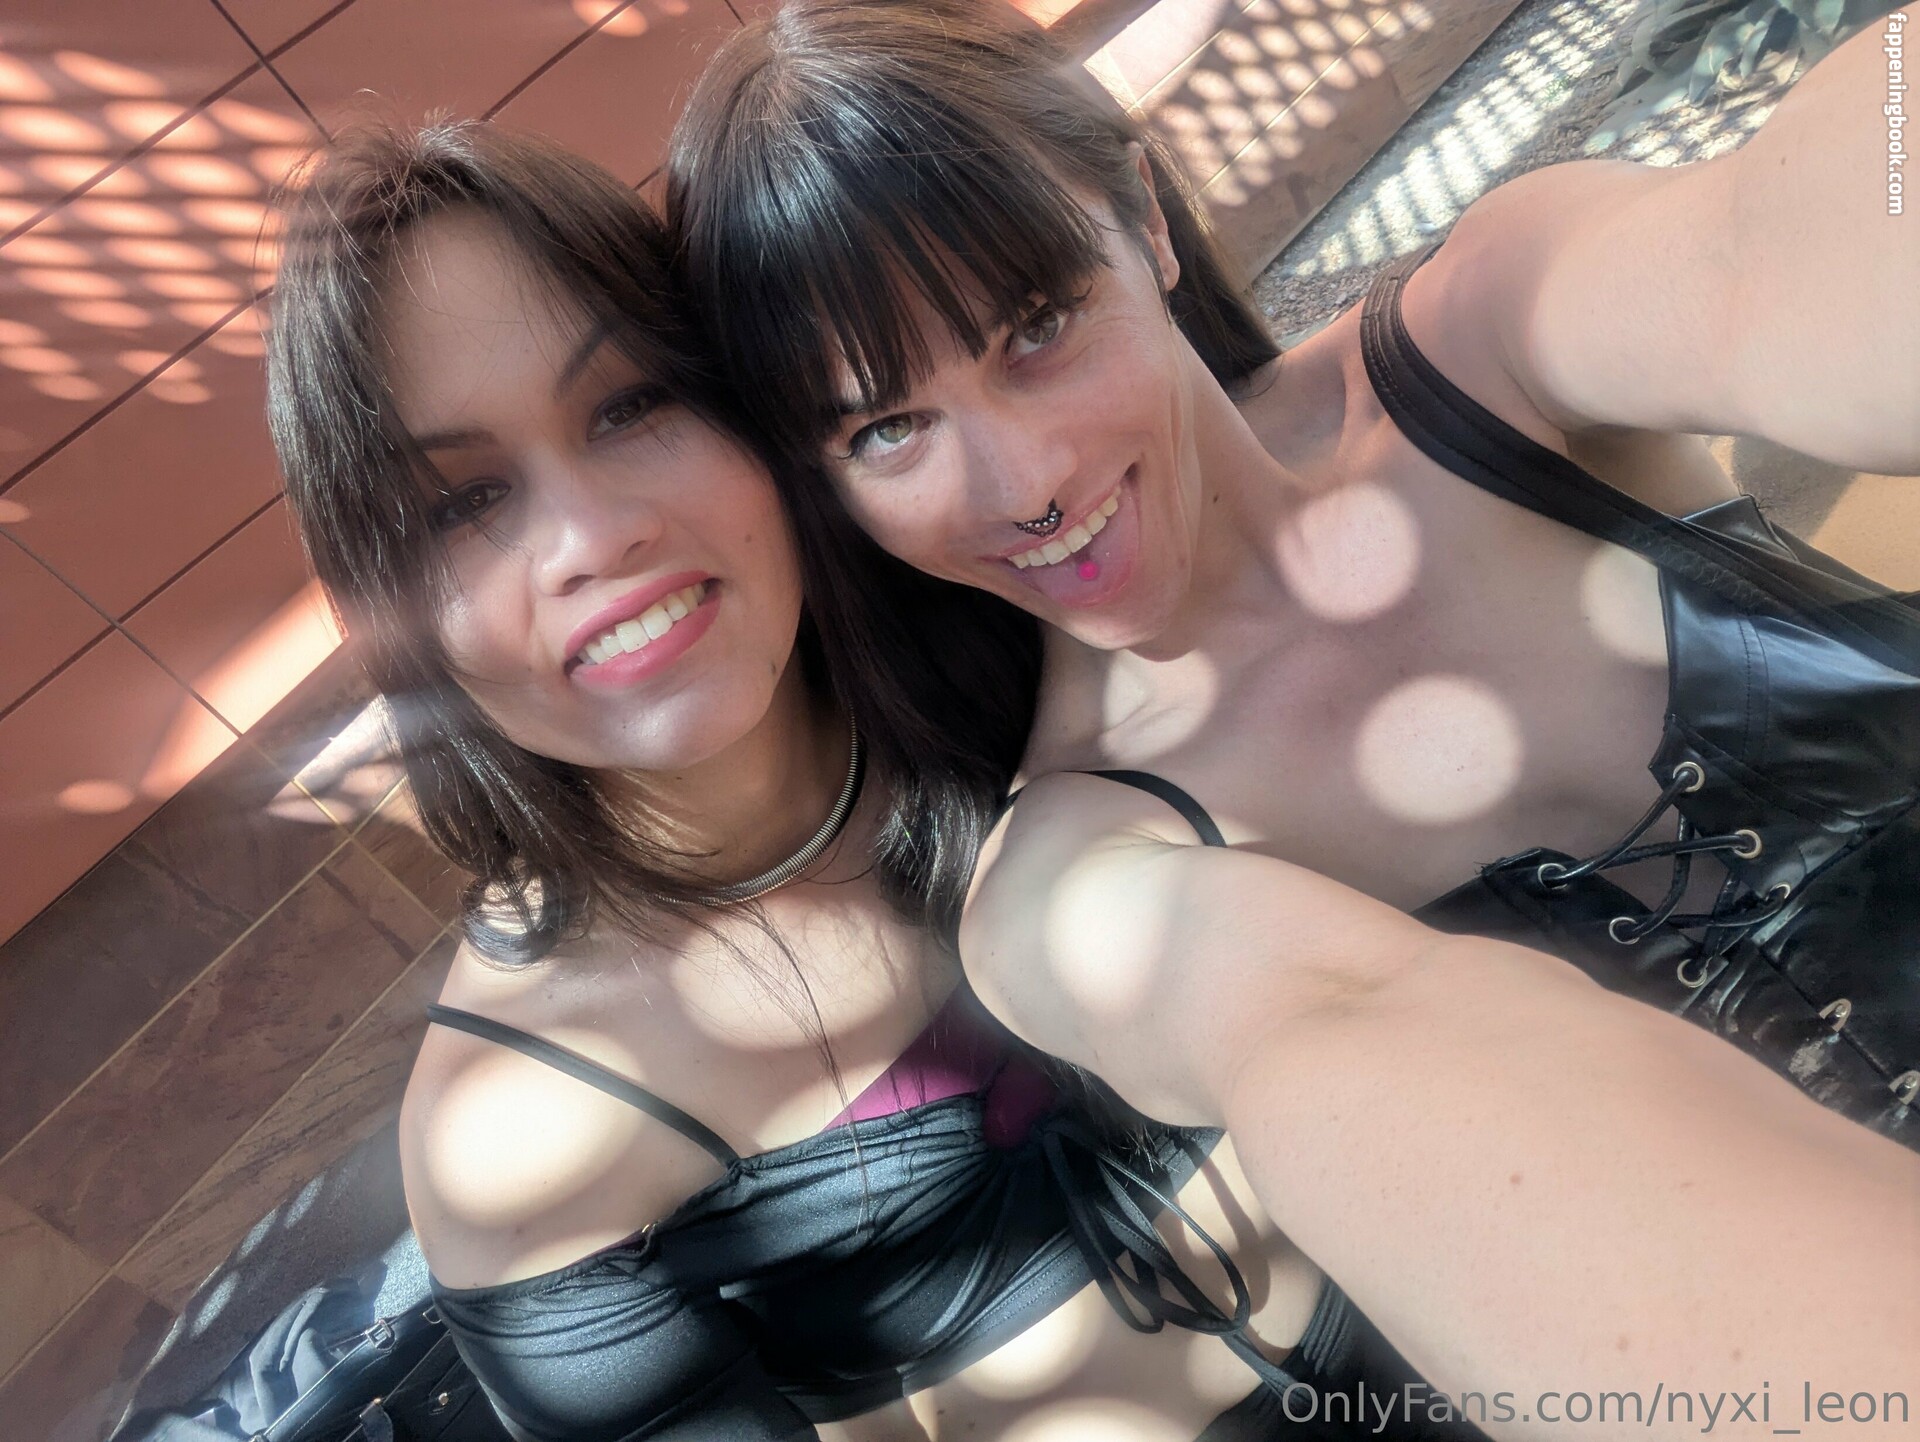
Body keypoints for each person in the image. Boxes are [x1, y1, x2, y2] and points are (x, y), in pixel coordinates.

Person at [665, 0, 1920, 1424]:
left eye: (1037, 326)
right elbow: (1335, 1032)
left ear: (1145, 221)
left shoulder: (1478, 356)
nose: (1026, 481)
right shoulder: (1074, 877)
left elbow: (1770, 246)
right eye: (887, 429)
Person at [266, 118, 1489, 1442]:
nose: (591, 536)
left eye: (630, 405)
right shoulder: (520, 1137)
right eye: (463, 504)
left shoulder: (1015, 620)